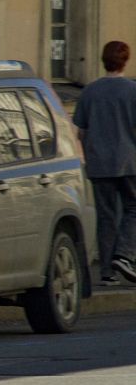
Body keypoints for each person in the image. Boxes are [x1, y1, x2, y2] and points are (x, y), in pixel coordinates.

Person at [73, 40, 136, 285]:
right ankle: (125, 254)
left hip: (99, 164)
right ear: (125, 61)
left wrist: (88, 154)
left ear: (103, 61)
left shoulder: (90, 91)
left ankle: (107, 272)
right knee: (133, 208)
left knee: (106, 216)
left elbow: (80, 130)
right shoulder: (132, 90)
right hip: (129, 161)